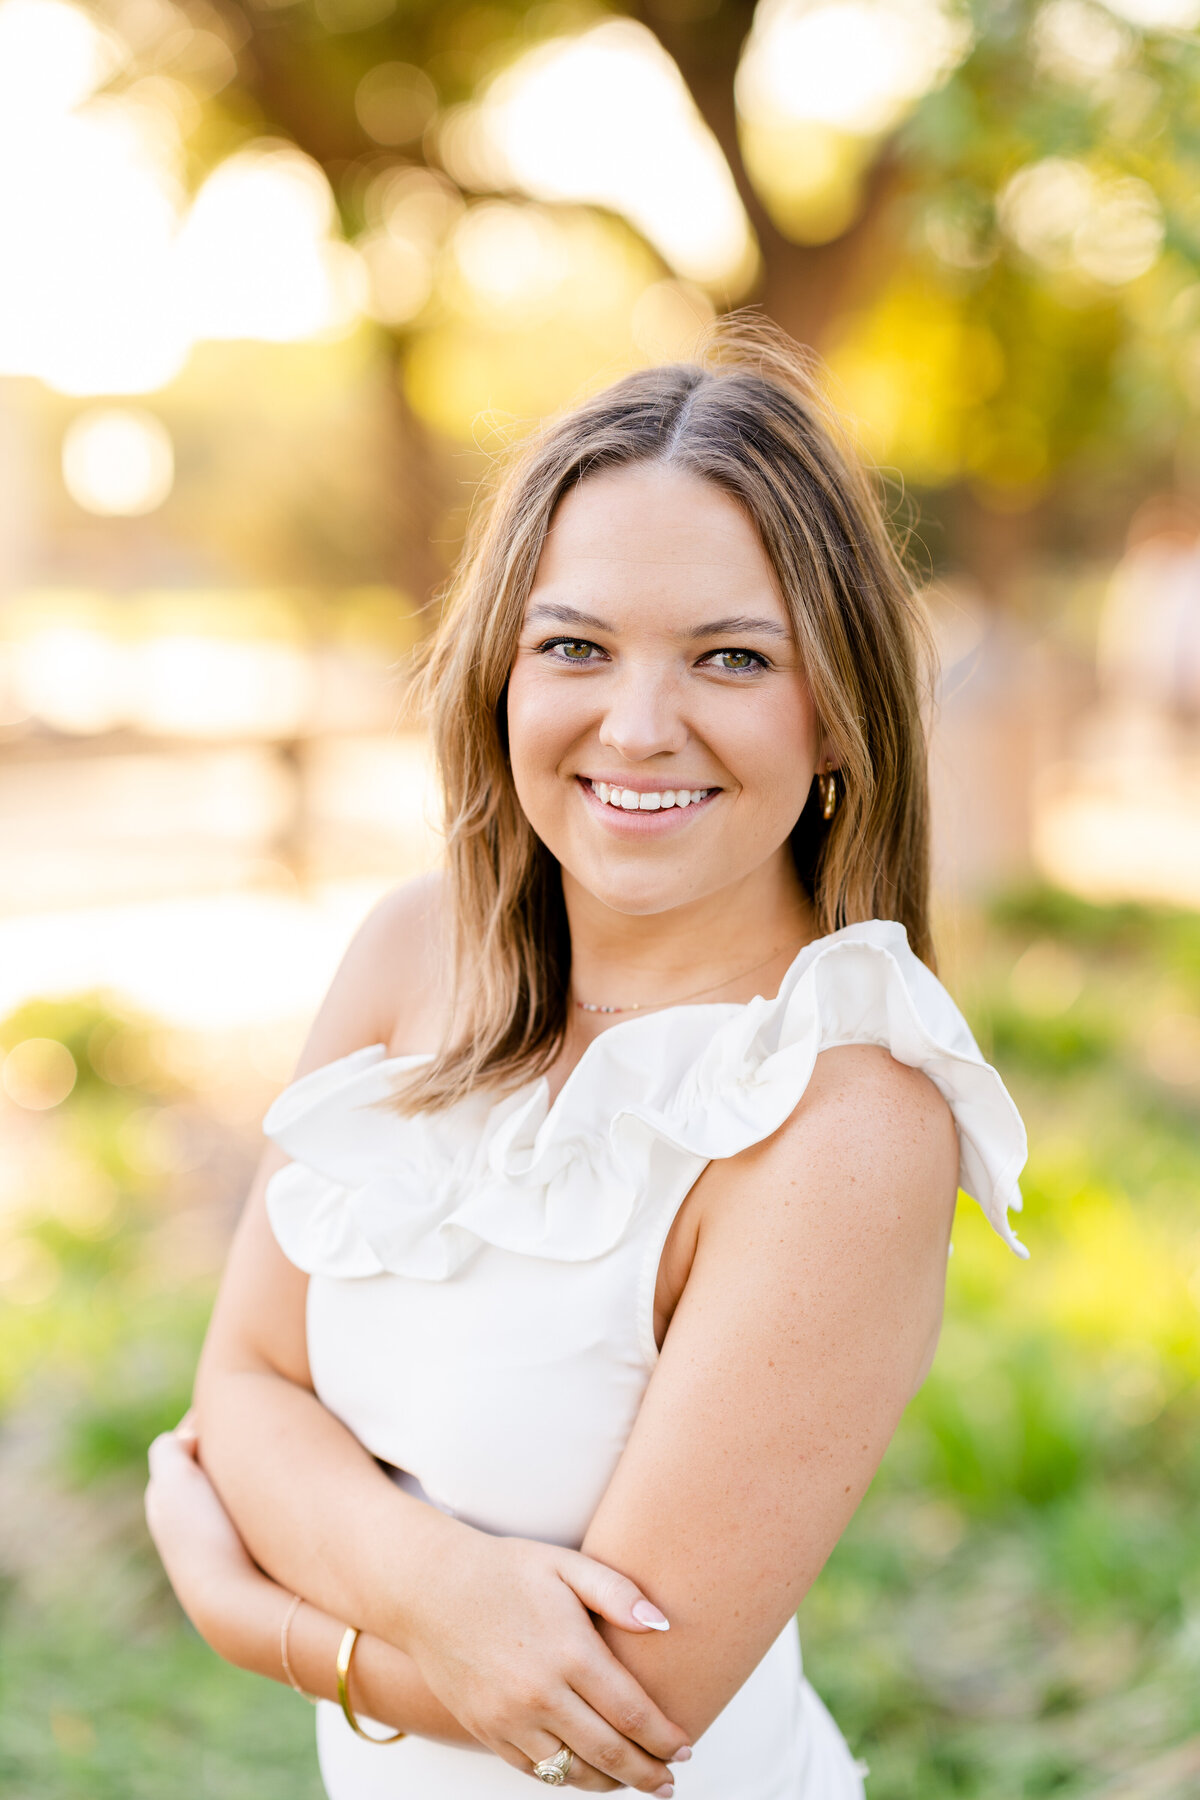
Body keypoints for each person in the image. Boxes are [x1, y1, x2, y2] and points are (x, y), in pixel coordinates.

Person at [145, 321, 1029, 1799]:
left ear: (838, 715)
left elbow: (620, 1712)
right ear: (501, 667)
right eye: (575, 645)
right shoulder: (409, 955)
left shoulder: (845, 1114)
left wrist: (255, 1613)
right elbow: (241, 1386)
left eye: (732, 658)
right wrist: (441, 1589)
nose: (635, 726)